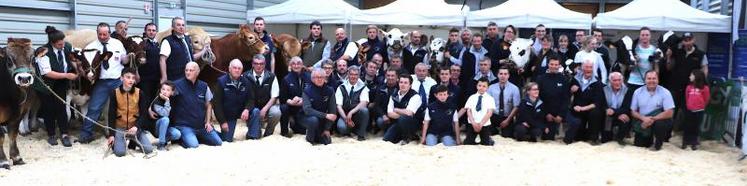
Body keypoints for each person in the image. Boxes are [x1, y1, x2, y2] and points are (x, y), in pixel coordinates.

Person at [78, 22, 129, 144]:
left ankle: (123, 132)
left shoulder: (118, 43)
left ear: (109, 33)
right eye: (99, 34)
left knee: (122, 107)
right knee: (94, 108)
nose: (102, 36)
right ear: (97, 33)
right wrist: (85, 75)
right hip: (100, 82)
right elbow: (83, 65)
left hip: (117, 80)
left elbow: (123, 59)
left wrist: (130, 57)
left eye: (104, 34)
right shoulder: (91, 46)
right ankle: (86, 134)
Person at [36, 26, 77, 147]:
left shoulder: (67, 46)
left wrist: (77, 67)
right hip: (46, 84)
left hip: (60, 82)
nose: (62, 45)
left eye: (63, 42)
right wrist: (67, 75)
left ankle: (64, 134)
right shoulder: (43, 52)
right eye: (59, 44)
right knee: (49, 109)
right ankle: (51, 134)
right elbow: (47, 73)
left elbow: (73, 58)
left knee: (61, 107)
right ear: (52, 43)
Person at [170, 62, 222, 148]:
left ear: (197, 72)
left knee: (218, 142)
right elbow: (164, 95)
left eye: (191, 70)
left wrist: (208, 122)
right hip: (184, 126)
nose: (188, 72)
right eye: (186, 70)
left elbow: (209, 104)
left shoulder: (204, 86)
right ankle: (181, 139)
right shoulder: (176, 85)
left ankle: (195, 137)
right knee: (193, 145)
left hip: (201, 126)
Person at [107, 68, 153, 157]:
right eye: (128, 77)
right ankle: (118, 141)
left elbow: (144, 113)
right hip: (120, 127)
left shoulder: (140, 93)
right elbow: (111, 114)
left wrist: (137, 126)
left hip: (134, 127)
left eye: (133, 78)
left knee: (148, 149)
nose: (131, 80)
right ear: (121, 78)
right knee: (120, 153)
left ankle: (133, 140)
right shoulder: (114, 93)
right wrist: (111, 135)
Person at [666, 32, 709, 127]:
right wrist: (668, 57)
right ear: (682, 42)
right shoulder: (677, 52)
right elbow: (669, 67)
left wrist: (700, 85)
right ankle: (669, 130)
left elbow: (705, 70)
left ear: (694, 40)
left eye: (690, 40)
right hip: (675, 86)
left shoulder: (701, 54)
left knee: (689, 110)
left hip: (691, 88)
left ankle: (688, 131)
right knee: (672, 109)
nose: (688, 42)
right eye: (685, 40)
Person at [630, 71, 674, 151]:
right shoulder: (637, 92)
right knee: (639, 144)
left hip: (658, 120)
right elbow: (633, 111)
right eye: (649, 78)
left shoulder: (665, 92)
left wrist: (652, 119)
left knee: (660, 124)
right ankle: (649, 139)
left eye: (654, 78)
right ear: (645, 80)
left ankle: (658, 145)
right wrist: (644, 119)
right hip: (643, 120)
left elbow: (670, 112)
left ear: (658, 80)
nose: (651, 81)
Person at [212, 59, 254, 142]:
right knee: (227, 139)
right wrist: (223, 121)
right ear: (229, 69)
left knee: (255, 111)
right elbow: (217, 104)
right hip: (229, 114)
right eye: (235, 68)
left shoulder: (246, 82)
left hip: (241, 111)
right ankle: (209, 132)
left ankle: (253, 135)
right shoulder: (221, 82)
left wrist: (247, 109)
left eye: (239, 68)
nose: (237, 70)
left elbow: (251, 99)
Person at [569, 60, 607, 145]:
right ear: (582, 68)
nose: (588, 69)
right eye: (586, 67)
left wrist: (582, 108)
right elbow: (567, 94)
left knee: (595, 113)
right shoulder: (575, 79)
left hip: (591, 109)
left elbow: (597, 103)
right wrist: (571, 91)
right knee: (578, 137)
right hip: (577, 108)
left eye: (590, 67)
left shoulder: (597, 82)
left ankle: (594, 138)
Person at [535, 55, 572, 141]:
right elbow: (538, 98)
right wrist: (546, 113)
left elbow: (566, 99)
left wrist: (560, 115)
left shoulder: (564, 79)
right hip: (546, 112)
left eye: (556, 65)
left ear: (559, 66)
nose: (554, 66)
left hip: (559, 112)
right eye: (552, 64)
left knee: (575, 122)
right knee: (548, 137)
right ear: (548, 64)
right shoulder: (540, 79)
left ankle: (566, 138)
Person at [244, 54, 281, 139]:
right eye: (256, 63)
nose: (258, 66)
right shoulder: (245, 76)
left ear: (265, 64)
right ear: (252, 64)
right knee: (256, 134)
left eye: (261, 64)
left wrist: (265, 109)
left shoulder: (272, 76)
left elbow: (274, 96)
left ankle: (268, 132)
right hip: (252, 109)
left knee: (276, 112)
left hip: (267, 106)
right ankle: (254, 130)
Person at [159, 17, 207, 82]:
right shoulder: (167, 41)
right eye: (178, 25)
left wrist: (204, 50)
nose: (181, 27)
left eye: (183, 25)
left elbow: (191, 57)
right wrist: (164, 76)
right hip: (175, 78)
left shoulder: (187, 39)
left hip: (189, 77)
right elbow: (162, 60)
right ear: (173, 27)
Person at [383, 74, 422, 145]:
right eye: (401, 82)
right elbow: (389, 113)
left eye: (405, 83)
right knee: (386, 139)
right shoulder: (394, 95)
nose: (403, 85)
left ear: (410, 85)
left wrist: (396, 110)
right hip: (397, 123)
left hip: (413, 124)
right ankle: (402, 136)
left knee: (404, 119)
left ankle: (409, 137)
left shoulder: (415, 96)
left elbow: (409, 113)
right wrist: (402, 114)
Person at [302, 68, 337, 145]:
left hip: (322, 120)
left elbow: (332, 112)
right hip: (308, 118)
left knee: (327, 141)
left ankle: (318, 134)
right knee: (313, 120)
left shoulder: (330, 90)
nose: (319, 79)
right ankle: (309, 139)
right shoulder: (307, 91)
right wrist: (325, 115)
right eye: (317, 77)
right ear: (312, 79)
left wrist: (327, 129)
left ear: (325, 78)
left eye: (321, 77)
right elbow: (307, 110)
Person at [139, 23, 163, 134]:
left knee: (152, 102)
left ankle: (150, 125)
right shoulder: (142, 44)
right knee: (144, 102)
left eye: (153, 30)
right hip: (145, 79)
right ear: (145, 31)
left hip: (156, 78)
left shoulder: (157, 44)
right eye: (149, 30)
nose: (151, 32)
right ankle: (142, 127)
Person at [335, 66, 370, 141]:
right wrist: (346, 118)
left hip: (357, 114)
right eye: (351, 74)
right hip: (344, 114)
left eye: (356, 74)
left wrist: (352, 112)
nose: (353, 76)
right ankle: (352, 131)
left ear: (359, 76)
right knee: (342, 128)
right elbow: (338, 106)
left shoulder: (363, 87)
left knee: (365, 110)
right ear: (348, 74)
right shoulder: (341, 87)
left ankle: (361, 135)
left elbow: (364, 103)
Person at [279, 57, 310, 137]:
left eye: (298, 63)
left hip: (305, 106)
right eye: (294, 64)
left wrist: (303, 100)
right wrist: (291, 102)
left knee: (301, 131)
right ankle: (284, 132)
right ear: (290, 65)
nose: (296, 66)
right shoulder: (286, 79)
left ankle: (295, 125)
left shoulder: (309, 77)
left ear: (302, 65)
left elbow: (312, 93)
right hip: (291, 106)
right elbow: (282, 98)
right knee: (283, 108)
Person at [488, 67, 521, 138]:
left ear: (508, 75)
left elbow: (516, 106)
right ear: (497, 75)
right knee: (489, 132)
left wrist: (508, 120)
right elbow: (487, 104)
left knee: (507, 135)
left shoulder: (514, 89)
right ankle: (495, 129)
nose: (503, 76)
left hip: (507, 116)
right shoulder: (491, 88)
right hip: (493, 115)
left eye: (505, 74)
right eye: (501, 74)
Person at [602, 72, 633, 145]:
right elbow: (601, 105)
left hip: (621, 114)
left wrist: (615, 112)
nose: (617, 82)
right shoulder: (604, 90)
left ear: (622, 81)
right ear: (610, 81)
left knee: (626, 118)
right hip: (608, 116)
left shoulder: (628, 91)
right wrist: (607, 110)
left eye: (619, 80)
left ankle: (620, 138)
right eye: (615, 80)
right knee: (605, 140)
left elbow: (627, 108)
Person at [463, 78, 496, 146]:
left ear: (487, 88)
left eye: (484, 86)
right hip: (472, 124)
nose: (481, 88)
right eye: (480, 85)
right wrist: (473, 123)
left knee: (486, 144)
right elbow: (469, 111)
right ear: (477, 86)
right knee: (468, 143)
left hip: (484, 124)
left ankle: (489, 139)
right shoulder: (472, 97)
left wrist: (481, 124)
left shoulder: (490, 99)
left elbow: (489, 113)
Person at [682, 69, 709, 150]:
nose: (689, 76)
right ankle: (685, 141)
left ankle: (694, 142)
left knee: (696, 127)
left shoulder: (705, 88)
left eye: (691, 75)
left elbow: (706, 99)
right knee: (687, 126)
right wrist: (688, 105)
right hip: (689, 110)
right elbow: (687, 97)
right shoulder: (688, 87)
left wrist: (702, 106)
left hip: (699, 111)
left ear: (696, 76)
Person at [150, 81, 181, 151]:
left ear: (172, 92)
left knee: (177, 134)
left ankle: (161, 140)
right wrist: (167, 100)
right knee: (165, 119)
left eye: (168, 90)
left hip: (167, 128)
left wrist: (170, 97)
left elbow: (177, 93)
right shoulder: (157, 101)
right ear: (160, 90)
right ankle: (161, 144)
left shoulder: (173, 99)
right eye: (163, 89)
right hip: (156, 128)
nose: (165, 91)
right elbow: (165, 114)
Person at [373, 68, 400, 133]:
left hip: (397, 114)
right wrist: (383, 115)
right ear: (385, 76)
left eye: (392, 76)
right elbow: (377, 106)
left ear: (397, 77)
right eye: (388, 75)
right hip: (385, 115)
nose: (390, 78)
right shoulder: (380, 88)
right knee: (380, 121)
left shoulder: (401, 88)